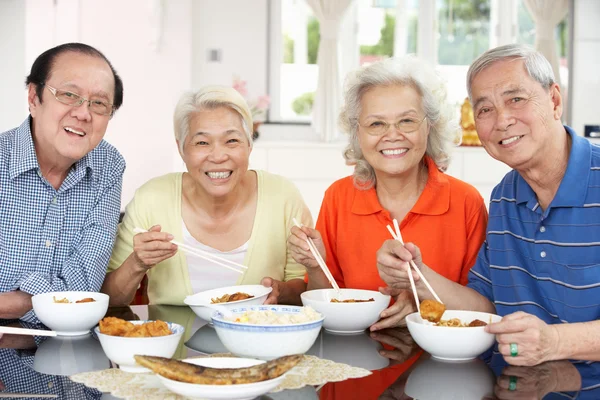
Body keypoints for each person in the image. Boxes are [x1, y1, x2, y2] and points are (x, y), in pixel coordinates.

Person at [377, 44, 600, 366]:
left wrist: (555, 343)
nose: (502, 120)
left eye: (516, 99)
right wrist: (414, 274)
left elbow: (548, 342)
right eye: (484, 109)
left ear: (554, 100)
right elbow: (485, 306)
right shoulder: (505, 196)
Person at [288, 56, 488, 333]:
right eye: (376, 124)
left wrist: (421, 297)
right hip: (355, 359)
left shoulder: (466, 202)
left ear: (429, 126)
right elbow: (327, 300)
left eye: (406, 121)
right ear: (357, 133)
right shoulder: (339, 197)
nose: (392, 135)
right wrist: (314, 265)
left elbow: (483, 310)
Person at [101, 86, 312, 306]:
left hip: (256, 337)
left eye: (232, 141)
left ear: (249, 144)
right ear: (181, 148)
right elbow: (109, 300)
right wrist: (136, 263)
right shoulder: (151, 199)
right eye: (202, 142)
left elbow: (302, 290)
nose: (218, 156)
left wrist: (281, 292)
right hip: (174, 338)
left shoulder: (283, 196)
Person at [0, 43, 125, 323]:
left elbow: (83, 290)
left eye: (99, 103)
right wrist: (51, 299)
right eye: (69, 95)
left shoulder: (109, 166)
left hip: (66, 351)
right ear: (34, 98)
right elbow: (70, 300)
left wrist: (17, 302)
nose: (84, 113)